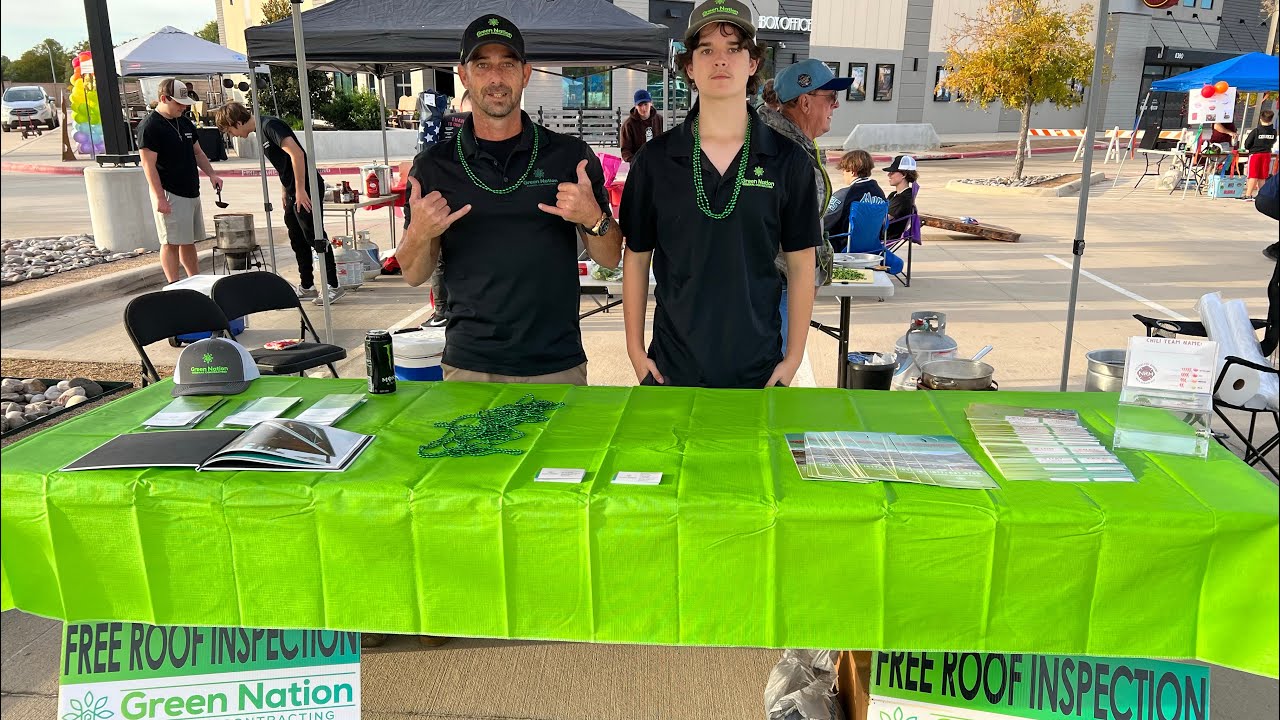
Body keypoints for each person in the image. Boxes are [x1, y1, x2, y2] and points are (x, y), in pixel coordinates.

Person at [399, 13, 622, 387]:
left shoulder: (569, 156)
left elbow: (610, 256)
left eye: (507, 64)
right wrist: (420, 232)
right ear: (464, 75)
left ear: (526, 73)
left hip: (557, 362)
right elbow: (413, 273)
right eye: (482, 65)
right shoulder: (435, 166)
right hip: (470, 364)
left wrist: (592, 216)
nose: (496, 77)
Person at [620, 0, 819, 389]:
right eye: (706, 50)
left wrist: (793, 357)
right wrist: (634, 350)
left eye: (734, 49)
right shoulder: (656, 160)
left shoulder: (787, 160)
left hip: (758, 371)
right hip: (671, 369)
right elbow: (637, 257)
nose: (720, 61)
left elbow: (801, 263)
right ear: (690, 68)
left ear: (752, 63)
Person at [760, 57, 851, 351]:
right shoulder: (781, 152)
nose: (836, 106)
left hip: (784, 288)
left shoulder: (796, 145)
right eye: (831, 97)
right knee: (771, 383)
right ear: (805, 102)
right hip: (776, 291)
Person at [215, 102, 343, 305]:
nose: (233, 135)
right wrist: (286, 190)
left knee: (314, 235)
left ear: (237, 122)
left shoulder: (270, 126)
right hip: (293, 189)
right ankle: (307, 285)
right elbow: (284, 162)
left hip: (306, 188)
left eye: (230, 130)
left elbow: (297, 154)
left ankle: (333, 285)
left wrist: (301, 190)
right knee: (297, 237)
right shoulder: (261, 132)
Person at [138, 78, 223, 283]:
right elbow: (148, 165)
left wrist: (211, 174)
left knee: (188, 240)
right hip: (169, 191)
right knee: (170, 241)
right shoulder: (150, 126)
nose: (183, 107)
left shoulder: (184, 121)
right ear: (163, 98)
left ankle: (194, 281)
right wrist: (160, 197)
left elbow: (198, 152)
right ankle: (174, 284)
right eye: (178, 103)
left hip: (191, 189)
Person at [418, 91, 473, 328]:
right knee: (441, 258)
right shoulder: (442, 133)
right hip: (446, 208)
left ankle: (443, 311)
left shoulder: (443, 128)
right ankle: (442, 311)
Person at [823, 150, 885, 243]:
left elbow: (825, 222)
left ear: (852, 171)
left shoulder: (844, 195)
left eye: (844, 169)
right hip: (872, 247)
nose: (842, 173)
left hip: (845, 247)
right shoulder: (879, 193)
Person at [620, 89, 663, 163]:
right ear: (636, 106)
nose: (643, 108)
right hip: (638, 164)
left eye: (646, 104)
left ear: (651, 103)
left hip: (658, 161)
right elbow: (625, 150)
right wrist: (635, 161)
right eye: (640, 105)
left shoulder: (660, 120)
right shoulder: (628, 125)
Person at [1242, 110, 1277, 201]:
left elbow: (1247, 144)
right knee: (1262, 176)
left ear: (1260, 119)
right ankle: (1262, 195)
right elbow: (1273, 142)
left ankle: (1248, 195)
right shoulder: (1273, 131)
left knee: (1253, 175)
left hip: (1255, 154)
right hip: (1267, 154)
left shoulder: (1256, 131)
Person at [884, 154, 918, 241]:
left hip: (885, 238)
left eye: (892, 172)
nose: (889, 175)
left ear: (904, 174)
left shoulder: (903, 198)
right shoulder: (894, 194)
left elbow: (883, 219)